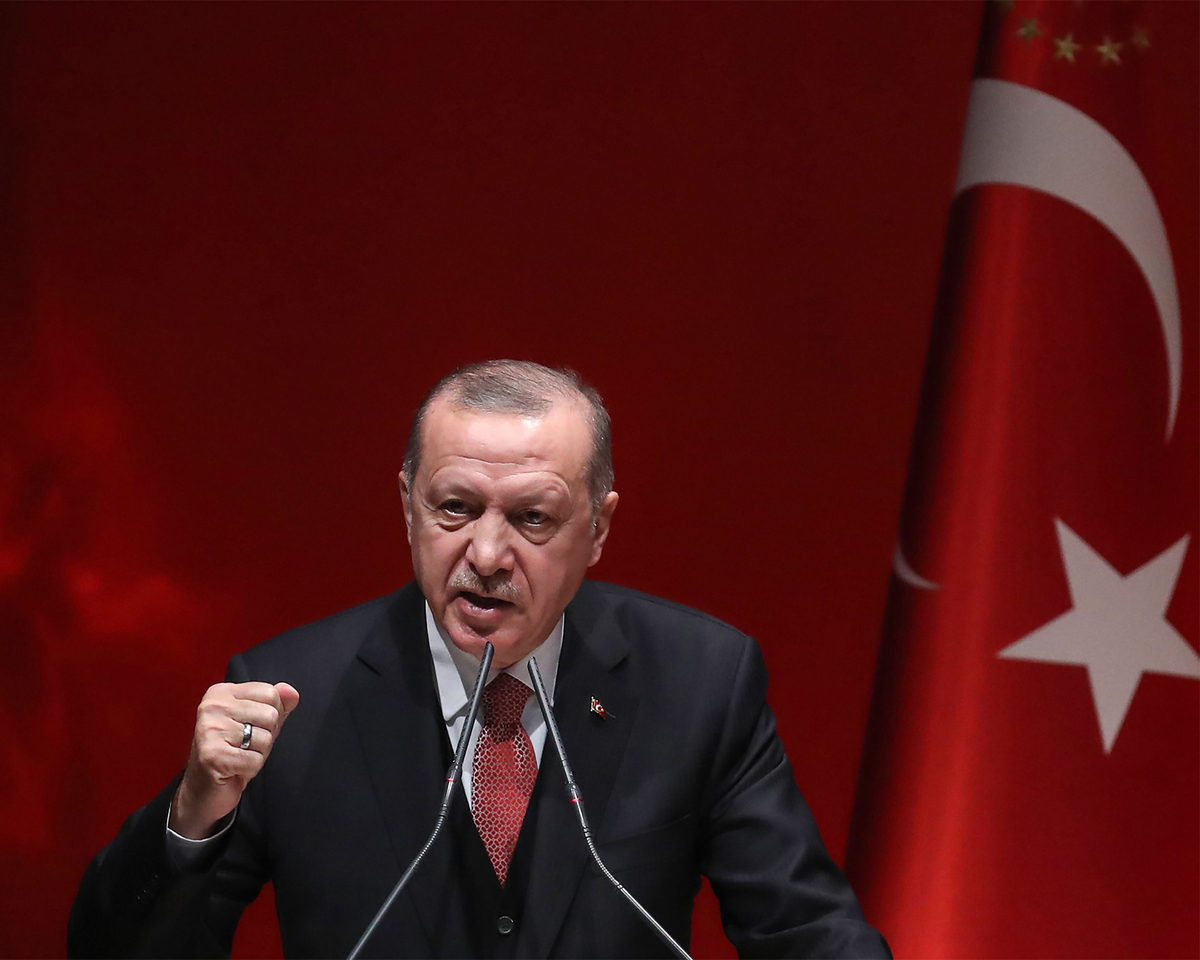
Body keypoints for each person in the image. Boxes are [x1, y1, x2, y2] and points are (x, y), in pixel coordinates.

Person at [69, 360, 890, 959]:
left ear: (598, 529)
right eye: (455, 508)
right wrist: (193, 814)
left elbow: (805, 932)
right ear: (407, 506)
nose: (486, 553)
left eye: (533, 518)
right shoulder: (293, 692)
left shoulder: (699, 680)